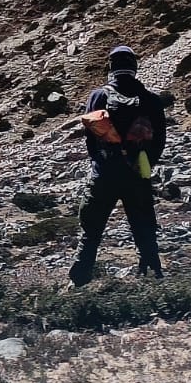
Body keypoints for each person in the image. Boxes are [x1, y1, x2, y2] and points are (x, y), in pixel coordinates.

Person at [68, 45, 166, 286]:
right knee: (143, 226)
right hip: (137, 172)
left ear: (110, 67)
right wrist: (144, 164)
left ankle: (79, 281)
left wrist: (101, 162)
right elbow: (160, 140)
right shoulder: (151, 100)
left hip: (105, 174)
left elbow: (91, 136)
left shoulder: (98, 96)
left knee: (91, 231)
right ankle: (152, 276)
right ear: (134, 67)